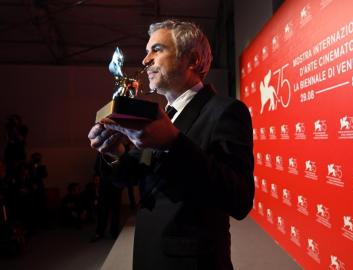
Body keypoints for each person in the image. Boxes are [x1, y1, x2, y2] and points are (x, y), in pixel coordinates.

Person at [88, 20, 254, 270]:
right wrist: (114, 153)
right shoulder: (160, 117)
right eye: (147, 52)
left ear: (193, 60)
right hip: (149, 254)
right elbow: (132, 177)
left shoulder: (226, 111)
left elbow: (239, 200)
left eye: (156, 50)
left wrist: (173, 143)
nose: (145, 61)